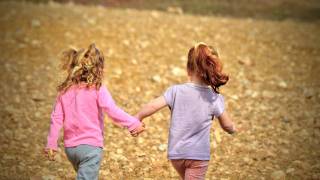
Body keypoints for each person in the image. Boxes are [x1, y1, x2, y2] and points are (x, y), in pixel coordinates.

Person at [135, 42, 237, 180]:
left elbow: (153, 106)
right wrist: (233, 129)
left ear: (188, 69)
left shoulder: (176, 91)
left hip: (176, 154)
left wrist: (138, 117)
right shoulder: (214, 97)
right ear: (213, 71)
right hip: (198, 155)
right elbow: (226, 125)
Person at [44, 43, 144, 180]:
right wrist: (133, 123)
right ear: (99, 69)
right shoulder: (97, 88)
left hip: (71, 149)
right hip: (91, 147)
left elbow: (56, 118)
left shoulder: (65, 90)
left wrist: (51, 144)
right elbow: (112, 110)